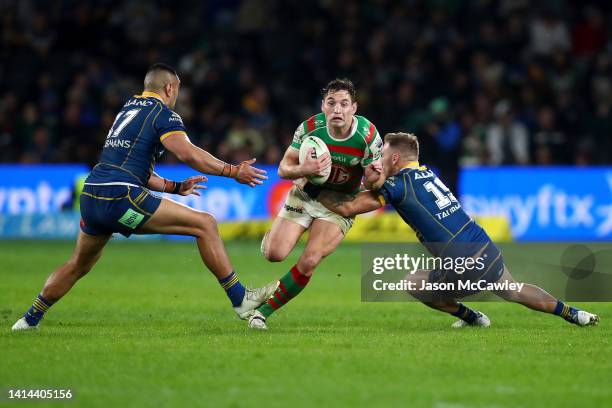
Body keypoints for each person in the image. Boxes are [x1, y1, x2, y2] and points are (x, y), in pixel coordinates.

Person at [12, 63, 276, 331]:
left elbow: (138, 169)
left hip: (92, 196)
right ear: (169, 88)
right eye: (178, 91)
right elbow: (188, 154)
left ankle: (29, 319)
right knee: (205, 224)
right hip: (121, 196)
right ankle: (240, 299)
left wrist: (175, 187)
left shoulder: (127, 110)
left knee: (78, 264)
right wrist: (233, 171)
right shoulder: (163, 114)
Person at [311, 132, 599, 328]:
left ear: (395, 159)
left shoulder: (399, 185)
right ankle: (575, 314)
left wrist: (313, 187)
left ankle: (472, 317)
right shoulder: (425, 174)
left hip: (461, 261)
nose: (379, 160)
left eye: (383, 156)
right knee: (513, 290)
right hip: (482, 245)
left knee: (413, 283)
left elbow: (348, 207)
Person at [248, 78, 383, 329]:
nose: (337, 110)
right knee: (274, 254)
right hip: (305, 194)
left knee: (310, 261)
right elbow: (283, 169)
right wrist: (303, 168)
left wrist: (376, 174)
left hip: (338, 204)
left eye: (344, 104)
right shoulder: (310, 128)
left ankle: (261, 313)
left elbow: (374, 183)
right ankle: (276, 235)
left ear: (354, 108)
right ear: (323, 106)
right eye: (331, 103)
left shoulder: (368, 136)